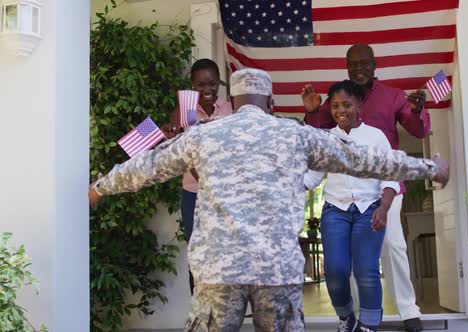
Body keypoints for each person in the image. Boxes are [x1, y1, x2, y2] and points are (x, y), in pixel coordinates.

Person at [89, 68, 449, 332]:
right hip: (276, 272)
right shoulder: (295, 135)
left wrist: (98, 188)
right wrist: (428, 167)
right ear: (271, 101)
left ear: (235, 100)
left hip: (218, 273)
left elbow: (147, 166)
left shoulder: (202, 137)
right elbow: (364, 159)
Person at [303, 43, 430, 332]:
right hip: (343, 197)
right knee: (348, 261)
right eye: (353, 65)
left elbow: (418, 130)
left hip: (385, 188)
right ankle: (355, 315)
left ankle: (409, 310)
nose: (358, 69)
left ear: (375, 65)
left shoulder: (393, 96)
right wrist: (311, 112)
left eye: (364, 64)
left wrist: (417, 111)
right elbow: (319, 135)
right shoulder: (339, 96)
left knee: (393, 246)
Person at [304, 80, 399, 332]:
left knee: (366, 271)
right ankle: (346, 317)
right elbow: (313, 178)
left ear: (359, 107)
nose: (340, 110)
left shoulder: (375, 136)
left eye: (347, 104)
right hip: (336, 211)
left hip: (369, 209)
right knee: (335, 271)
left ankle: (368, 325)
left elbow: (391, 177)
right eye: (335, 106)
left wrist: (384, 208)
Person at [163, 58, 232, 295]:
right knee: (198, 252)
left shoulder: (231, 109)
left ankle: (224, 310)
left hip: (225, 194)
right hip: (194, 194)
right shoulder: (186, 110)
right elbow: (168, 137)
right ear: (192, 85)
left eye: (212, 84)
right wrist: (171, 129)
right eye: (200, 85)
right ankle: (199, 308)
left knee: (225, 251)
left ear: (219, 84)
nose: (207, 90)